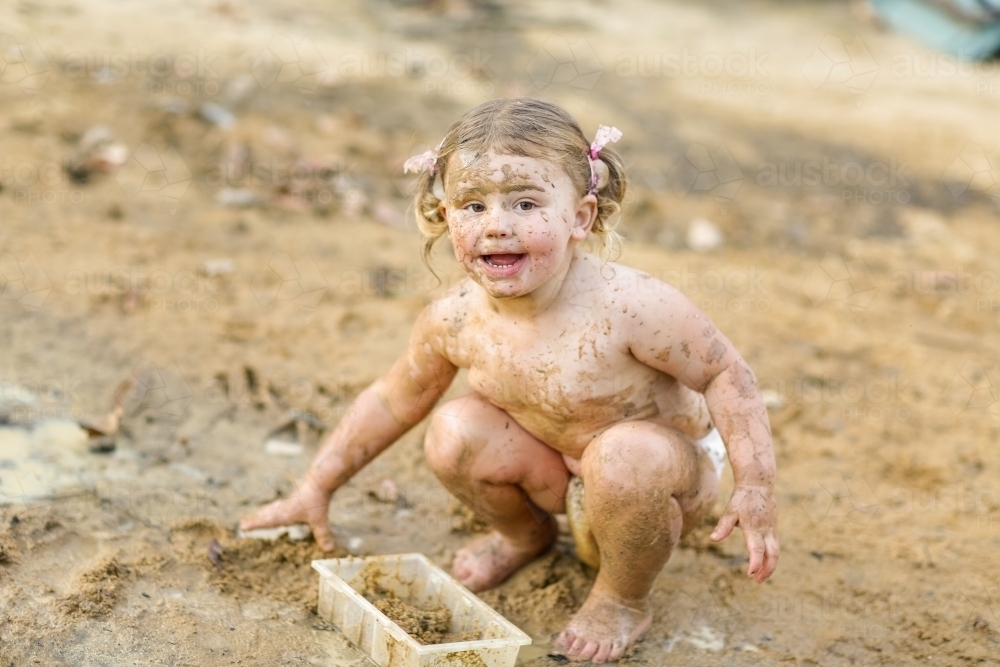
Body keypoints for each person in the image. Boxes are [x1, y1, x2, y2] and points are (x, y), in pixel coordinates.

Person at [240, 98, 779, 664]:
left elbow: (725, 372)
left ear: (579, 218)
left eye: (525, 202)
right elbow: (394, 400)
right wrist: (316, 487)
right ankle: (526, 536)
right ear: (446, 217)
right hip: (555, 472)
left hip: (656, 480)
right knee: (454, 429)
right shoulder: (455, 317)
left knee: (622, 457)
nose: (497, 225)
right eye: (473, 205)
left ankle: (623, 596)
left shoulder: (632, 307)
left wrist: (756, 485)